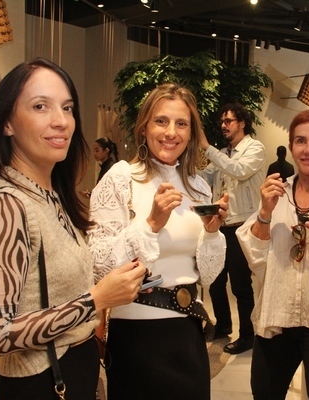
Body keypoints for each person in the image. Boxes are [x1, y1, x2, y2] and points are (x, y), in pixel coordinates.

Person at [0, 58, 148, 400]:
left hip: (73, 370)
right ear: (7, 123)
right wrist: (96, 300)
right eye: (40, 106)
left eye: (67, 108)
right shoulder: (5, 202)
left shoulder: (51, 195)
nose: (61, 121)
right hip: (39, 382)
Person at [87, 83, 228, 399]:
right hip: (136, 336)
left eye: (182, 124)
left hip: (188, 335)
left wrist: (212, 232)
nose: (171, 132)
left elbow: (207, 275)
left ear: (191, 133)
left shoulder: (197, 186)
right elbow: (98, 264)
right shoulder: (121, 178)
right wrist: (150, 224)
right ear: (143, 127)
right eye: (161, 121)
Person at [236, 109, 309, 400]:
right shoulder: (276, 194)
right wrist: (265, 213)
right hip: (277, 317)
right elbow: (257, 259)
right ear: (291, 146)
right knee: (265, 394)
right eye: (301, 141)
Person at [198, 102, 266, 354]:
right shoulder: (222, 154)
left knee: (240, 285)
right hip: (221, 224)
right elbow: (205, 177)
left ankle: (248, 335)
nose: (224, 125)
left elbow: (239, 170)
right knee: (216, 281)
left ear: (242, 123)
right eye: (222, 122)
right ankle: (223, 325)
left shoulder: (255, 148)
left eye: (228, 121)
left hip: (243, 225)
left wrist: (207, 147)